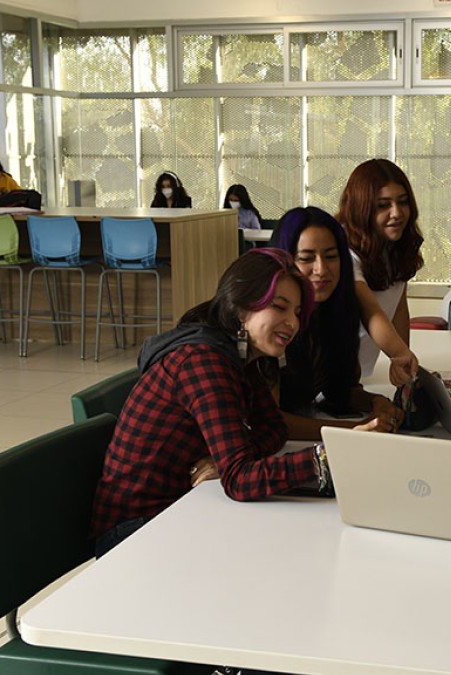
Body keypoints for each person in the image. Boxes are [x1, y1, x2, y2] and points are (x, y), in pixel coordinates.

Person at [91, 249, 378, 558]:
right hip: (133, 532)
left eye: (296, 312)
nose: (292, 323)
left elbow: (274, 429)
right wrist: (327, 455)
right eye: (279, 307)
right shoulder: (204, 362)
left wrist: (225, 459)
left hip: (180, 508)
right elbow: (240, 480)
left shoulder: (238, 356)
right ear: (242, 308)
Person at [271, 206, 404, 439]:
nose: (321, 270)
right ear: (285, 260)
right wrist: (356, 430)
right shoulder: (270, 320)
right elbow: (271, 421)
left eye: (331, 256)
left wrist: (376, 402)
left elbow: (337, 390)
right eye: (306, 258)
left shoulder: (333, 312)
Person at [336, 158, 422, 387]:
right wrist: (400, 354)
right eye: (383, 205)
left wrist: (405, 368)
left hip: (361, 374)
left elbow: (398, 306)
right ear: (361, 208)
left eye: (403, 202)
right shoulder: (341, 249)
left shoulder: (396, 243)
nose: (396, 213)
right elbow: (370, 311)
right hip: (329, 375)